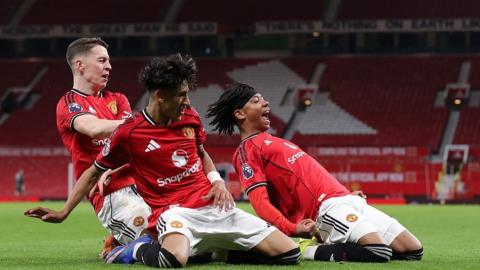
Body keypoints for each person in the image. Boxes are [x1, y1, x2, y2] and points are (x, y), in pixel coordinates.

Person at [27, 55, 301, 268]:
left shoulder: (190, 117)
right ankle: (129, 250)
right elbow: (93, 170)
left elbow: (201, 152)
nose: (187, 101)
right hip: (174, 211)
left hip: (213, 205)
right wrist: (63, 213)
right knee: (173, 260)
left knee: (289, 253)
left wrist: (216, 181)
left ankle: (219, 251)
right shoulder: (129, 131)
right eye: (181, 95)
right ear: (160, 95)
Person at [206, 82, 424, 263]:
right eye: (255, 101)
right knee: (378, 251)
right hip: (324, 208)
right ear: (240, 114)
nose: (265, 102)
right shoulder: (246, 151)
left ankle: (334, 239)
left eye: (262, 99)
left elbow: (309, 176)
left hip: (345, 199)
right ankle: (301, 249)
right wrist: (291, 228)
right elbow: (260, 202)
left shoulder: (274, 141)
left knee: (413, 250)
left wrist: (346, 193)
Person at [25, 37, 151, 253]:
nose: (109, 67)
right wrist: (142, 122)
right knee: (166, 245)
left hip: (146, 187)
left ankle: (121, 239)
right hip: (112, 194)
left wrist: (117, 164)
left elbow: (132, 142)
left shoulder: (118, 99)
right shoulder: (68, 104)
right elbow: (93, 128)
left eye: (109, 61)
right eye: (102, 60)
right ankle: (118, 252)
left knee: (187, 234)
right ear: (79, 65)